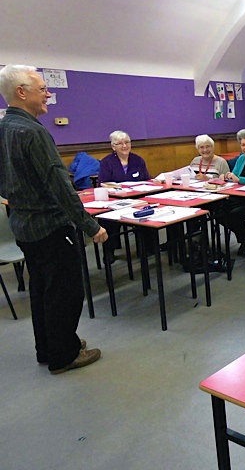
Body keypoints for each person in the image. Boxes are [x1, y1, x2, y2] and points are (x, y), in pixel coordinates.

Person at [0, 64, 107, 374]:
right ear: (21, 92)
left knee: (41, 290)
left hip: (23, 227)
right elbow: (59, 186)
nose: (48, 94)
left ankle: (47, 348)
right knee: (65, 292)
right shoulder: (33, 132)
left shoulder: (4, 128)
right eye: (42, 89)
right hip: (51, 228)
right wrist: (90, 225)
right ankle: (64, 355)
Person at [98, 130, 152, 263]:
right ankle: (109, 252)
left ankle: (145, 248)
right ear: (113, 147)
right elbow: (102, 183)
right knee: (107, 220)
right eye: (120, 143)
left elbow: (147, 180)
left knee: (148, 214)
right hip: (115, 201)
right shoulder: (107, 162)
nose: (124, 146)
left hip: (138, 200)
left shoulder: (138, 160)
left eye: (127, 142)